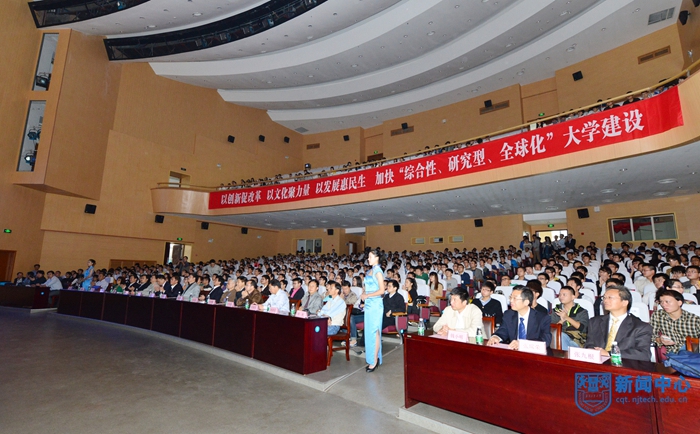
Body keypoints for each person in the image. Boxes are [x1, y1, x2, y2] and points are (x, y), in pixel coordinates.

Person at [585, 285, 653, 361]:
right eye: (604, 297)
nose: (605, 301)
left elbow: (644, 354)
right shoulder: (594, 322)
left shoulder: (641, 327)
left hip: (625, 365)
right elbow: (589, 345)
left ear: (624, 302)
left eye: (610, 297)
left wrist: (609, 354)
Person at [487, 286, 551, 350]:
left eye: (515, 298)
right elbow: (503, 331)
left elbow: (546, 340)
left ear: (526, 302)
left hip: (533, 353)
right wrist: (496, 337)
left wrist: (522, 344)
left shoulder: (542, 318)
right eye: (510, 297)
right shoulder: (508, 314)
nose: (511, 300)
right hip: (514, 352)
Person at [651, 290, 700, 354]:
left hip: (691, 354)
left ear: (679, 303)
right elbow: (651, 335)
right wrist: (660, 340)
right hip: (672, 353)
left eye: (667, 302)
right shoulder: (658, 315)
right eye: (661, 302)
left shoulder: (694, 319)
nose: (663, 304)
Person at [361, 248, 385, 372]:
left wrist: (368, 295)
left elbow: (382, 291)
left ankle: (374, 360)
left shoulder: (378, 272)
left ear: (377, 258)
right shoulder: (370, 271)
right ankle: (373, 357)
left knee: (374, 332)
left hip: (375, 304)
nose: (368, 259)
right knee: (369, 332)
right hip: (369, 304)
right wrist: (364, 293)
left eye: (370, 257)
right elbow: (367, 287)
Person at [551, 286, 589, 350]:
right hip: (559, 338)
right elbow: (553, 330)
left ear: (573, 297)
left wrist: (567, 317)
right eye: (560, 294)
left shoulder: (582, 311)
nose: (561, 297)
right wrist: (561, 321)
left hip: (576, 339)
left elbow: (583, 328)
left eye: (564, 295)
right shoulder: (556, 311)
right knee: (560, 336)